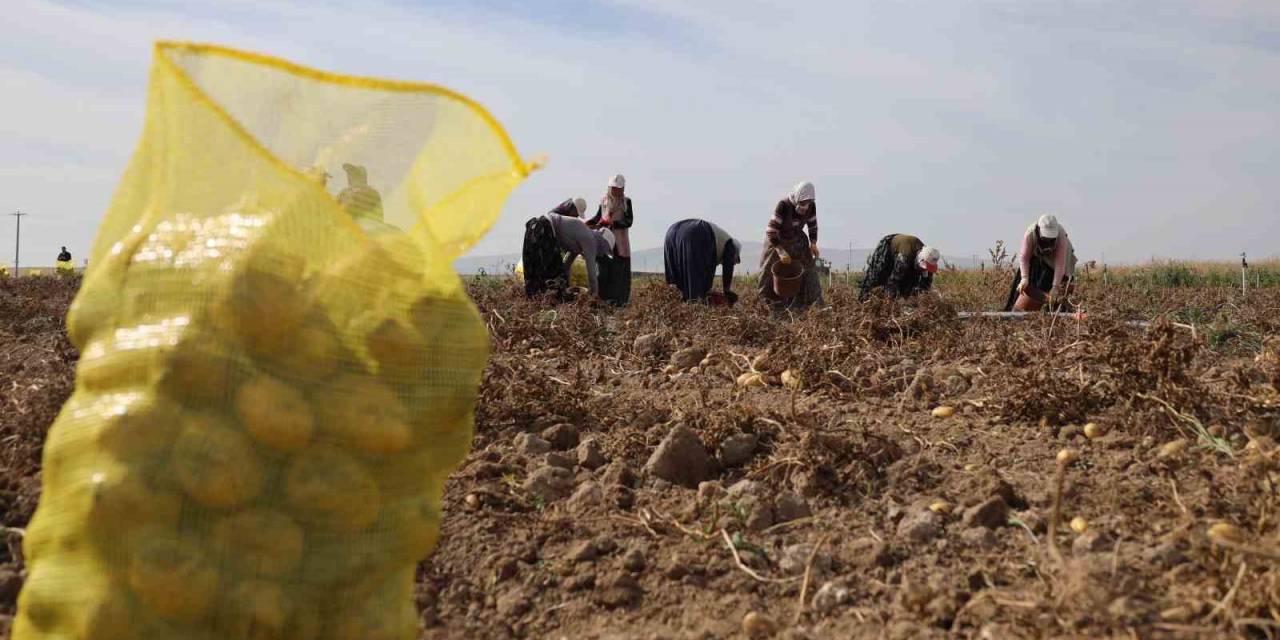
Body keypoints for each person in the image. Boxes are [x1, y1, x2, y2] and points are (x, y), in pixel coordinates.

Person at [759, 181, 823, 308]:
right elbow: (771, 230)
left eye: (808, 204)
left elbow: (812, 225)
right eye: (802, 203)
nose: (805, 207)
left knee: (808, 267)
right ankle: (767, 303)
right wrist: (780, 251)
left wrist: (813, 242)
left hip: (796, 237)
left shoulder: (811, 207)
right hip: (777, 238)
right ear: (796, 198)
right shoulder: (783, 205)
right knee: (769, 269)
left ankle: (811, 301)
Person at [1003, 214, 1077, 311]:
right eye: (1045, 238)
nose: (1048, 240)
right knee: (1025, 283)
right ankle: (1014, 311)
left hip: (1058, 263)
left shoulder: (1061, 236)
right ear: (1038, 230)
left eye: (1050, 239)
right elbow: (1024, 257)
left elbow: (1060, 264)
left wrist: (1055, 286)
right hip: (1037, 257)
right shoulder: (1030, 233)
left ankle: (1053, 314)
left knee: (1056, 289)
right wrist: (1024, 278)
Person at [663, 219, 741, 304]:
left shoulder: (718, 242)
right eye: (734, 261)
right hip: (697, 232)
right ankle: (693, 308)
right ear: (735, 253)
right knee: (696, 291)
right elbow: (728, 266)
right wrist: (727, 290)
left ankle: (674, 305)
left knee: (677, 285)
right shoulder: (731, 244)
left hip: (671, 233)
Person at [587, 175, 633, 305]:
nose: (618, 191)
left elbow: (629, 221)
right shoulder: (604, 201)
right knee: (603, 271)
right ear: (610, 188)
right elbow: (597, 218)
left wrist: (613, 223)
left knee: (619, 273)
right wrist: (588, 223)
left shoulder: (626, 202)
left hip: (620, 243)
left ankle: (619, 302)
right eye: (615, 188)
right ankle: (603, 299)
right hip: (605, 241)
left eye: (620, 188)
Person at [858, 234, 939, 300]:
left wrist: (922, 298)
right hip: (889, 248)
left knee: (910, 283)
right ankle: (864, 299)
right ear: (920, 260)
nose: (924, 270)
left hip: (910, 257)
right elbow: (893, 281)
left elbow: (926, 284)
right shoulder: (904, 258)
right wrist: (889, 301)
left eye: (926, 268)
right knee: (877, 278)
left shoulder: (930, 260)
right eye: (923, 267)